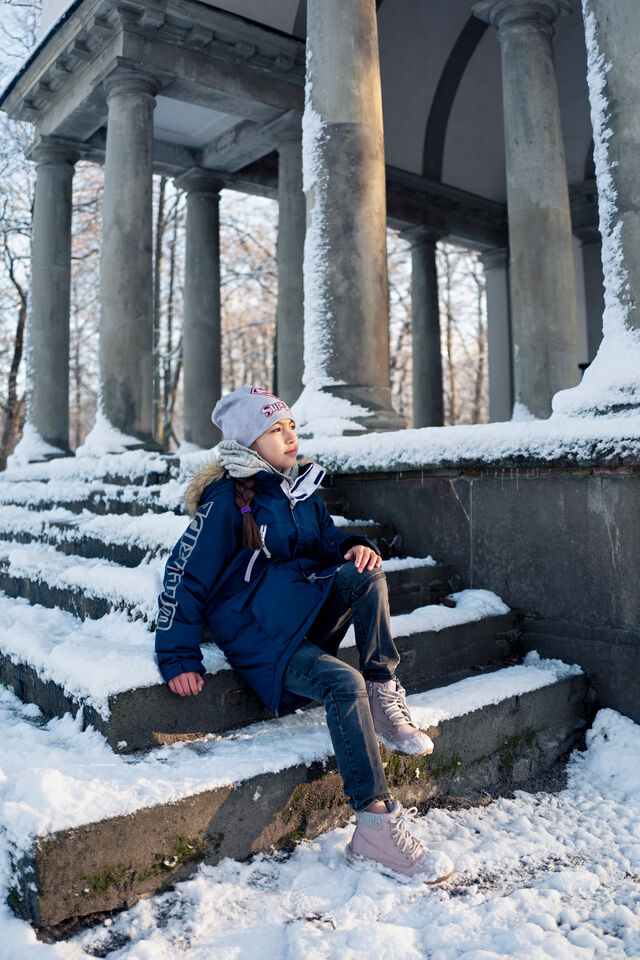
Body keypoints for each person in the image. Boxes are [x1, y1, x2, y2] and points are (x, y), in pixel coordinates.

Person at [155, 385, 453, 884]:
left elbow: (326, 540)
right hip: (257, 634)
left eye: (291, 425)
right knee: (342, 683)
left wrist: (353, 545)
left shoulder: (300, 491)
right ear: (249, 442)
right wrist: (177, 655)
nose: (290, 436)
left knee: (366, 573)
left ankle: (383, 690)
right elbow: (184, 575)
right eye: (275, 429)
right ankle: (375, 826)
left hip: (300, 610)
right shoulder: (227, 501)